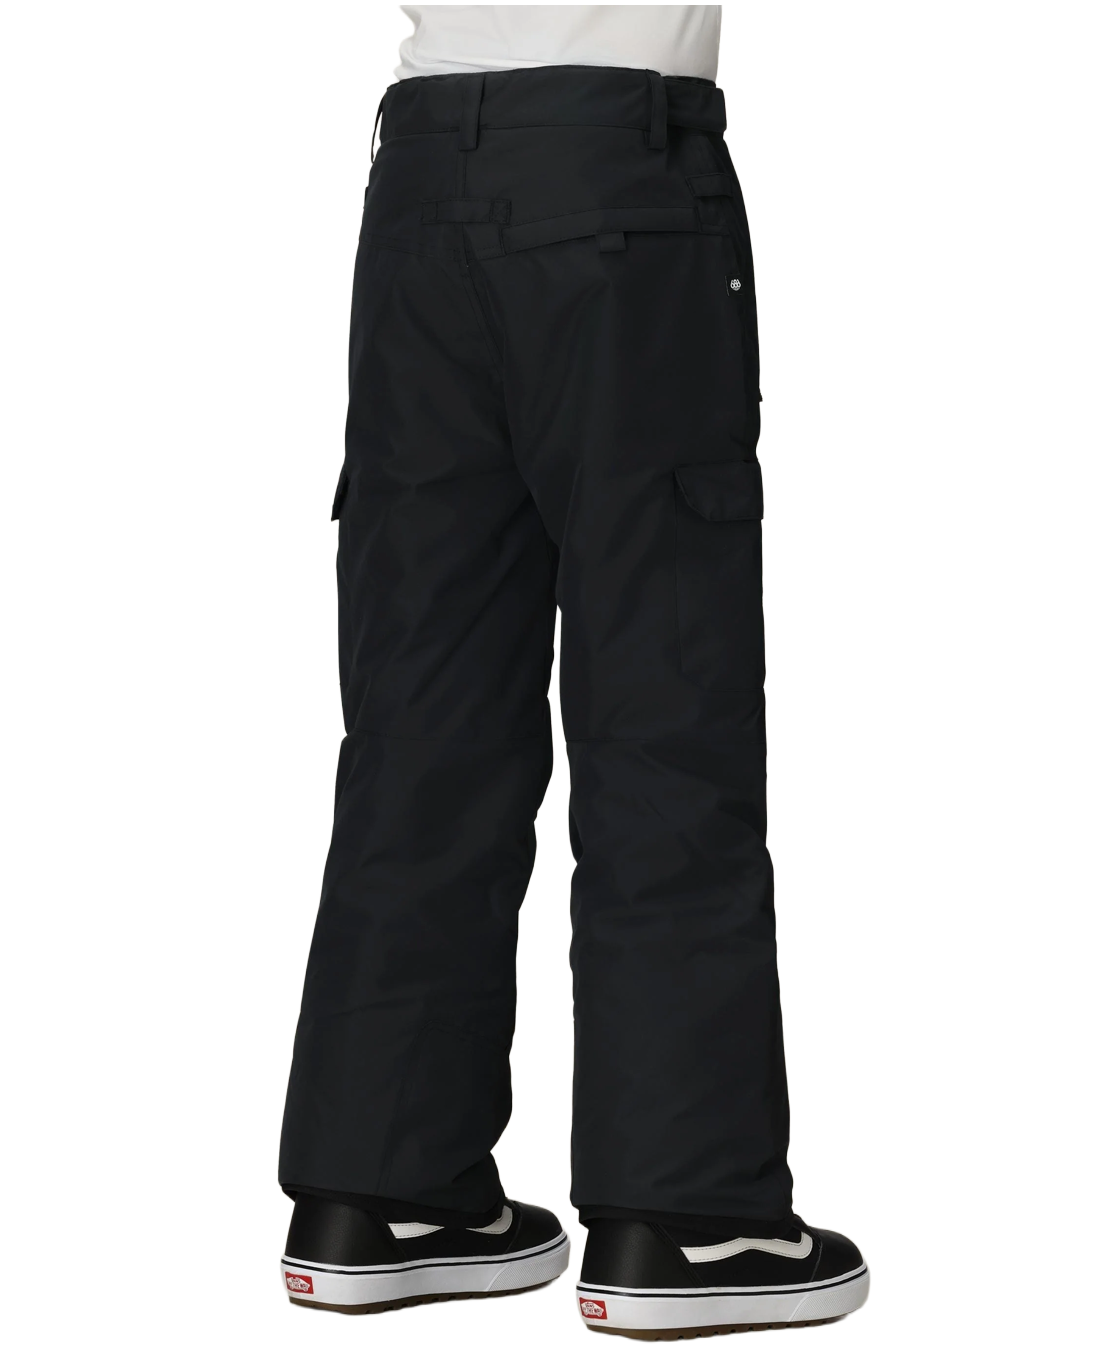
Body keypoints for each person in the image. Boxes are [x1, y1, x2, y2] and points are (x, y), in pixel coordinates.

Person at [278, 6, 868, 1337]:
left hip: (421, 182)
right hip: (616, 185)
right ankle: (685, 1215)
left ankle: (379, 1191)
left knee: (421, 723)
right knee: (663, 707)